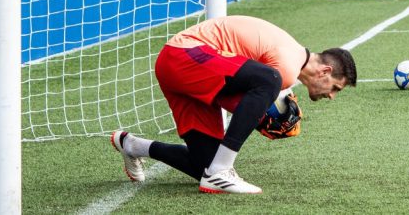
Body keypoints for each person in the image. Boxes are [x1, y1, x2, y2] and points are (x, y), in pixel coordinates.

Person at [109, 15, 357, 194]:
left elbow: (230, 92)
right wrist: (263, 121)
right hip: (185, 55)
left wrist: (261, 116)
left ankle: (131, 145)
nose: (332, 96)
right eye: (335, 87)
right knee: (271, 80)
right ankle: (221, 172)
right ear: (325, 71)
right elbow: (245, 97)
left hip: (185, 70)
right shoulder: (287, 68)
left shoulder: (290, 56)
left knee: (202, 165)